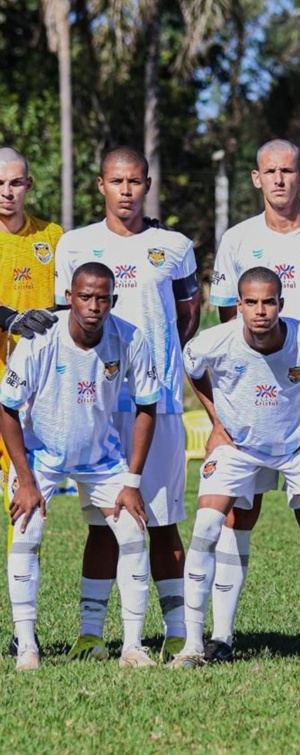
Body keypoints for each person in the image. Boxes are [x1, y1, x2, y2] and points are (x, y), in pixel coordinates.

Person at [205, 139, 300, 663]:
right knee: (235, 516)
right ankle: (221, 637)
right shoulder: (236, 239)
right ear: (256, 178)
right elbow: (227, 320)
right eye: (269, 171)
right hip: (245, 407)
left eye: (288, 171)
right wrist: (231, 400)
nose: (278, 180)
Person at [54, 147, 201, 663]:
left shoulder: (175, 246)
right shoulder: (76, 246)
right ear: (101, 185)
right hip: (95, 405)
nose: (125, 191)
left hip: (156, 404)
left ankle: (179, 631)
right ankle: (91, 632)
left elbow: (189, 314)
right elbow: (61, 321)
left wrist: (158, 364)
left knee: (160, 519)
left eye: (135, 182)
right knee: (102, 523)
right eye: (116, 181)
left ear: (147, 185)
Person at [171, 266, 300, 668]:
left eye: (269, 301)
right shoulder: (215, 341)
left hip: (297, 445)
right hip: (238, 446)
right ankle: (196, 645)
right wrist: (217, 420)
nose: (260, 310)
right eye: (251, 302)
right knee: (205, 530)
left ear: (281, 304)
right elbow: (192, 367)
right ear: (238, 306)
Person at [0, 262, 161, 670]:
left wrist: (132, 480)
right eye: (85, 297)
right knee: (26, 530)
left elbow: (146, 406)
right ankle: (27, 646)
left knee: (132, 532)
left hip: (101, 458)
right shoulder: (39, 340)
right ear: (69, 298)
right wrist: (26, 480)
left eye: (102, 298)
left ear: (113, 301)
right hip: (41, 456)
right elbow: (7, 408)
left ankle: (132, 646)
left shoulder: (130, 338)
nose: (93, 306)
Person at [0, 147, 62, 656]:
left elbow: (77, 295)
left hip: (30, 400)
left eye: (16, 182)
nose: (6, 191)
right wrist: (7, 317)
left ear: (30, 184)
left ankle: (24, 633)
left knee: (21, 506)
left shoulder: (52, 238)